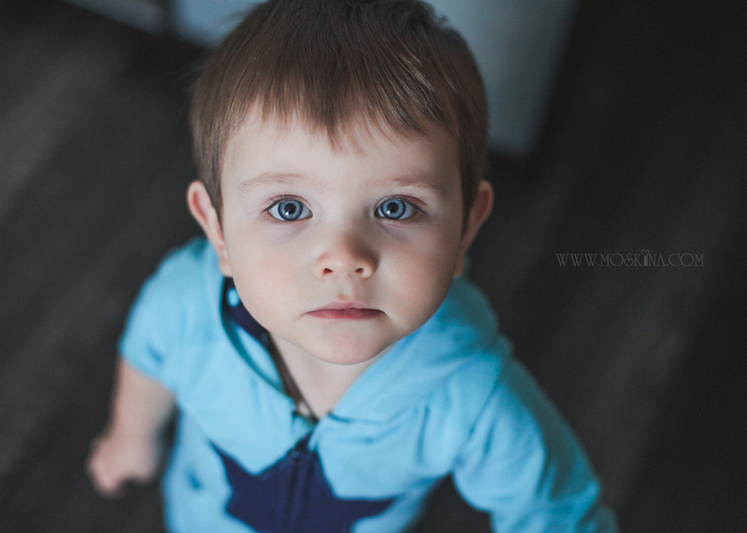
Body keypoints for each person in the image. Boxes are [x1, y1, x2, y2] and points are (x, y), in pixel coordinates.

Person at [87, 1, 619, 532]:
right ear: (218, 229)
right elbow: (149, 355)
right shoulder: (186, 305)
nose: (344, 258)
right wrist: (131, 434)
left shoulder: (470, 392)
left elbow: (557, 510)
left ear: (466, 229)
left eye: (396, 208)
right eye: (289, 208)